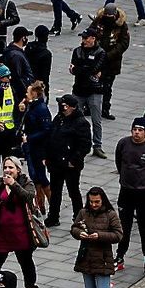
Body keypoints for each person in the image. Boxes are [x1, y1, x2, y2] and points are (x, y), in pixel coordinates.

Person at [0, 157, 40, 288]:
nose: (7, 170)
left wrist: (14, 184)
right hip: (1, 231)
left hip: (21, 231)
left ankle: (31, 287)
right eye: (5, 167)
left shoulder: (26, 182)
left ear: (18, 170)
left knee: (26, 260)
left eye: (11, 168)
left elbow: (28, 196)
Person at [73, 187, 123, 288]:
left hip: (103, 259)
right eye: (91, 201)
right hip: (86, 258)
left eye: (97, 202)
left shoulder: (110, 214)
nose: (94, 204)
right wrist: (79, 233)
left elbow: (118, 234)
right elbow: (74, 228)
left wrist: (99, 236)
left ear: (102, 200)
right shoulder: (83, 212)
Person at [45, 94, 93, 226]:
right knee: (55, 191)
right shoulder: (59, 118)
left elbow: (85, 145)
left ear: (70, 107)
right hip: (55, 162)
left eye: (64, 105)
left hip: (70, 165)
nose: (61, 107)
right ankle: (53, 216)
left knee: (73, 191)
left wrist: (74, 160)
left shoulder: (81, 123)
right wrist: (47, 156)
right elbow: (52, 137)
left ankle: (78, 217)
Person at [70, 27, 108, 158]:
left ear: (93, 38)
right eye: (82, 38)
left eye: (86, 38)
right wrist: (85, 69)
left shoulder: (100, 52)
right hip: (79, 89)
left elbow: (94, 69)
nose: (83, 40)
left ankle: (97, 145)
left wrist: (81, 68)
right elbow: (74, 69)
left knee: (96, 120)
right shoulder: (77, 51)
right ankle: (77, 143)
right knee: (75, 119)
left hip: (94, 90)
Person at [116, 117, 145, 273]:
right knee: (123, 226)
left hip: (143, 192)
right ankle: (120, 255)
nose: (137, 133)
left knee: (143, 227)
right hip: (126, 191)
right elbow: (118, 161)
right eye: (135, 129)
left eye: (140, 130)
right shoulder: (123, 143)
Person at [19, 81, 53, 212]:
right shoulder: (32, 106)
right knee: (35, 176)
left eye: (28, 92)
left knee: (41, 176)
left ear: (33, 93)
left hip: (38, 147)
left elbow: (46, 130)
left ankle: (51, 204)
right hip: (31, 146)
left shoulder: (41, 109)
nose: (26, 95)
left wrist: (29, 138)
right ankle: (40, 205)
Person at [93, 3, 130, 120]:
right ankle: (89, 107)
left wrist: (108, 55)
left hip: (111, 61)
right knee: (93, 84)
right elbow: (91, 33)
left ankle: (105, 109)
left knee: (107, 87)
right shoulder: (99, 20)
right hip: (97, 58)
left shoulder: (121, 25)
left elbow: (123, 44)